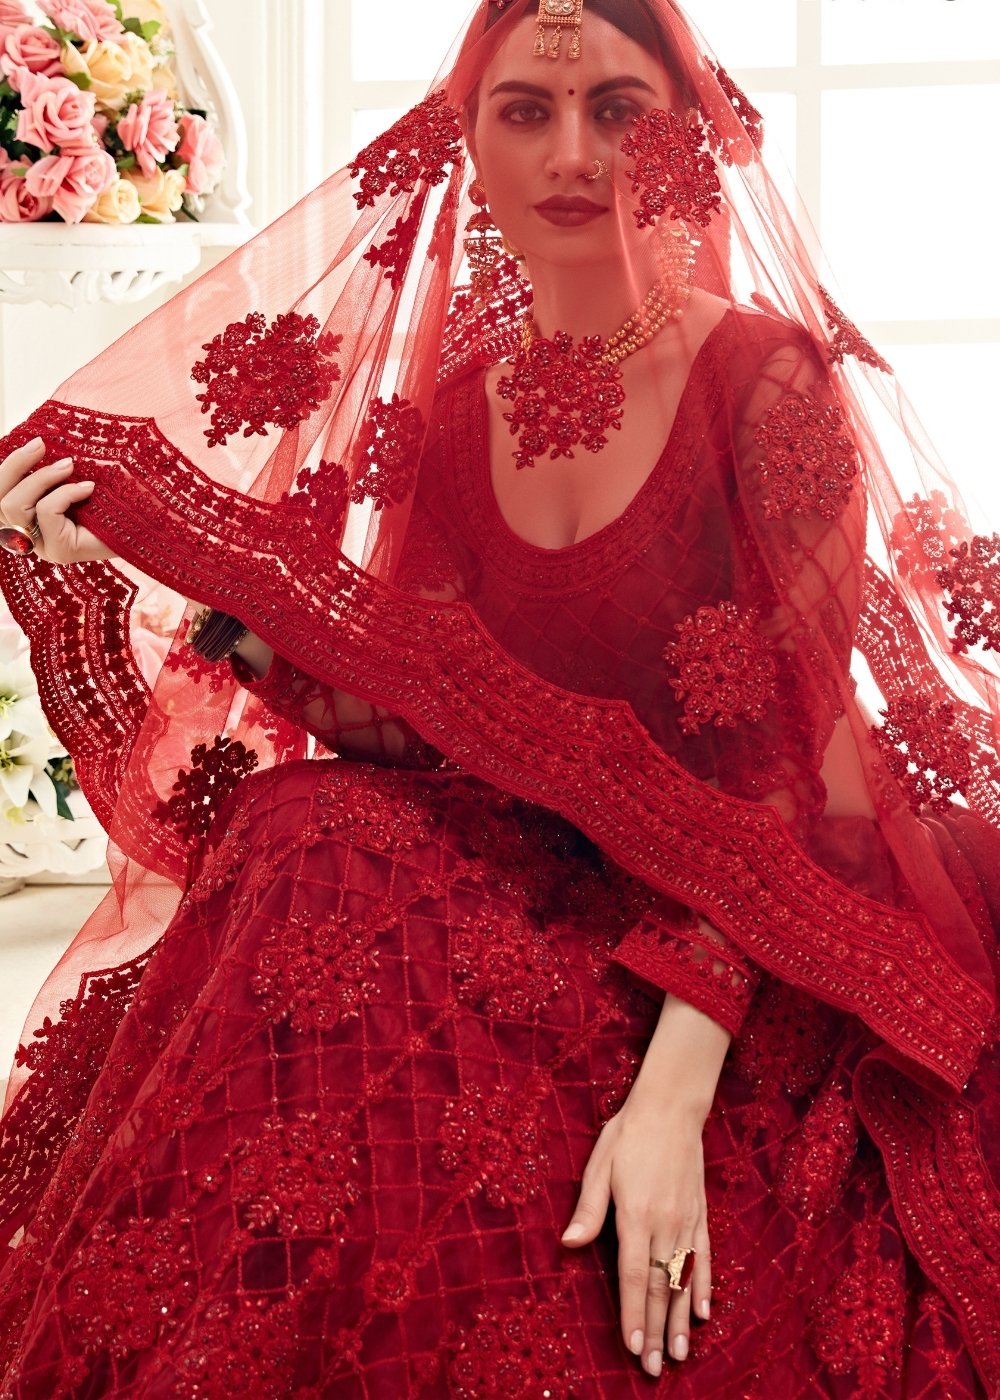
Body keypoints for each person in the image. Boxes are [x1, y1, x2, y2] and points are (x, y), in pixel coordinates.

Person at [0, 0, 996, 1394]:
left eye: (617, 110)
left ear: (685, 139)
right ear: (465, 141)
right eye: (527, 110)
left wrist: (671, 1100)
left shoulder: (768, 383)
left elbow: (792, 777)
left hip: (747, 931)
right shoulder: (461, 407)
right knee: (305, 826)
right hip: (537, 891)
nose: (571, 153)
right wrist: (186, 588)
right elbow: (437, 732)